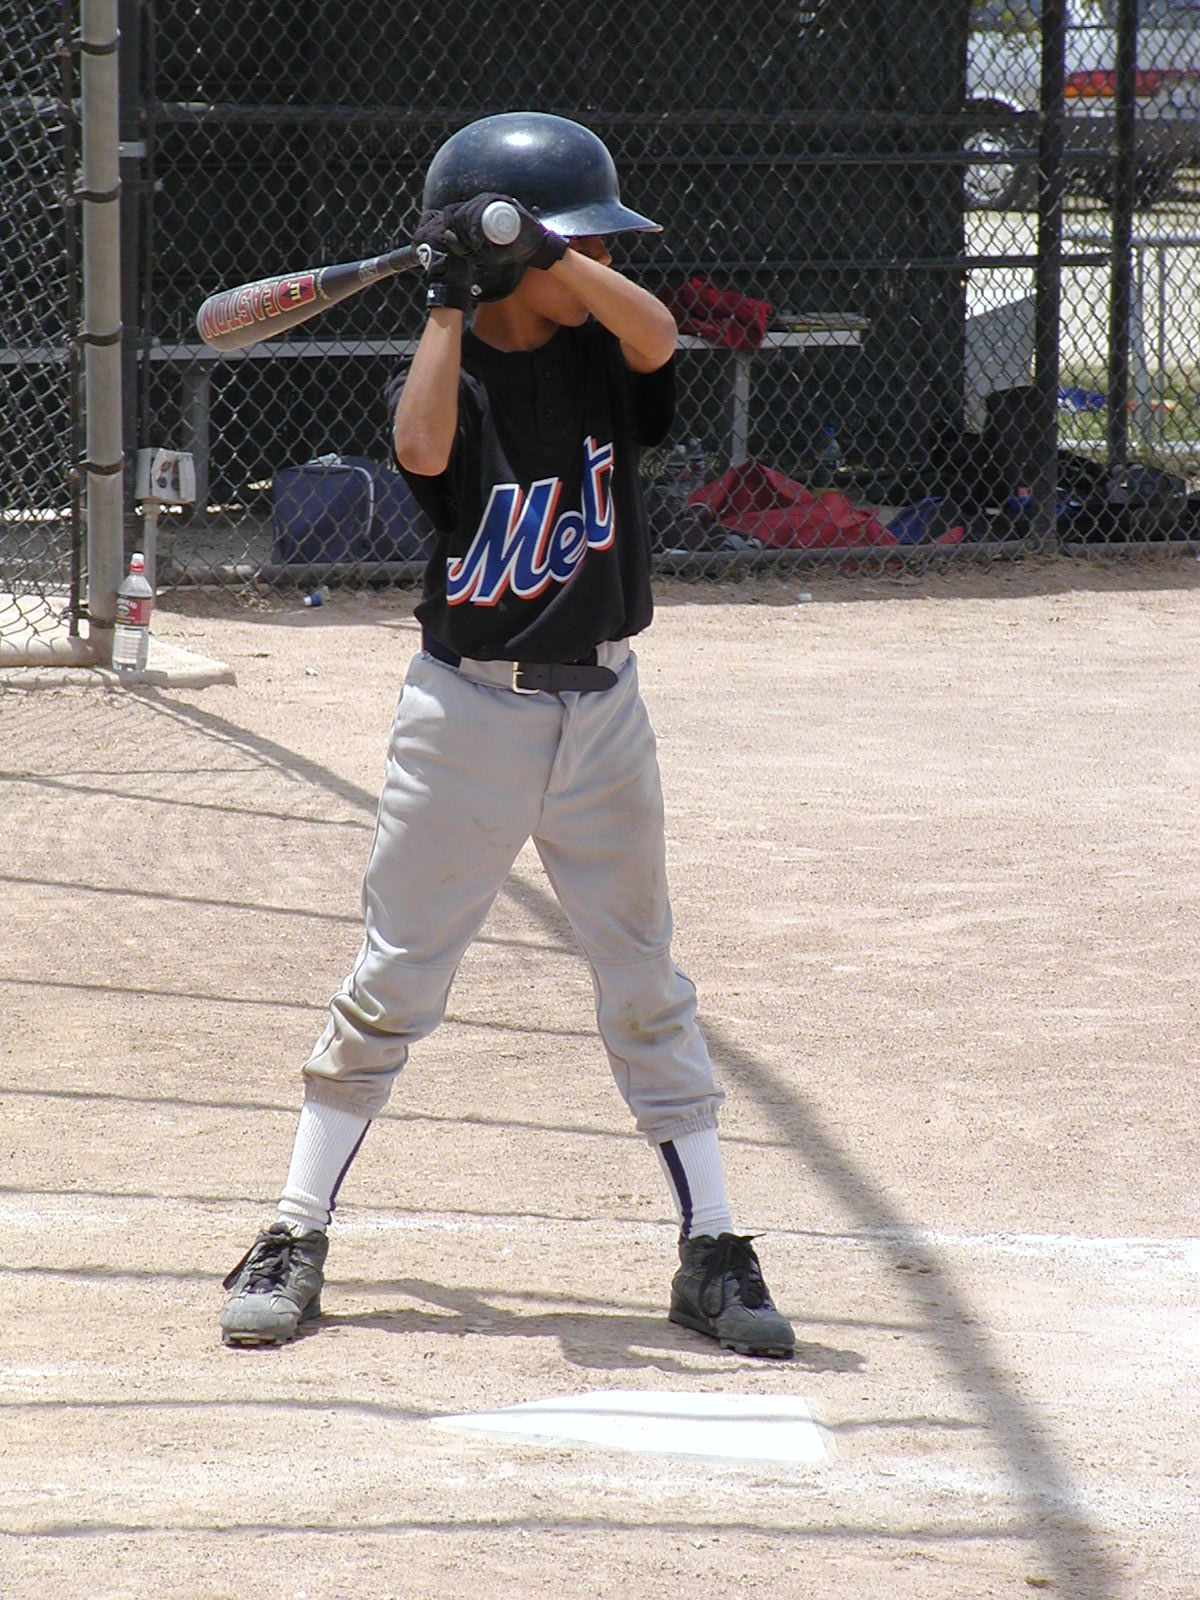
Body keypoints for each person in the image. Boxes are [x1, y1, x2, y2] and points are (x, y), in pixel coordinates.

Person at [219, 111, 794, 1361]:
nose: (594, 260)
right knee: (394, 980)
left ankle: (712, 1246)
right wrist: (448, 297)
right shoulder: (450, 372)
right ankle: (295, 1229)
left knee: (645, 978)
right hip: (466, 714)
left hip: (604, 709)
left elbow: (657, 330)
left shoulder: (604, 356)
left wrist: (540, 247)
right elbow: (420, 445)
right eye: (575, 242)